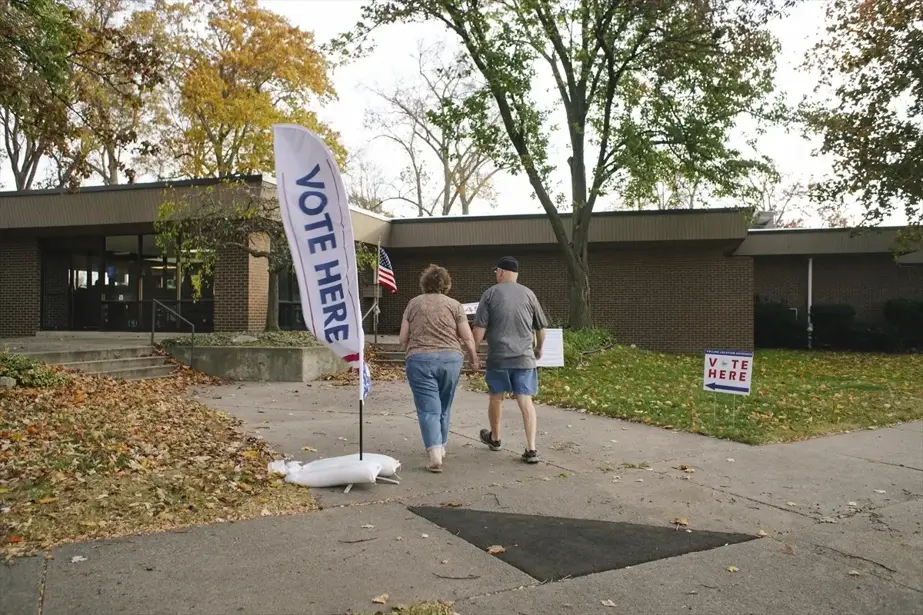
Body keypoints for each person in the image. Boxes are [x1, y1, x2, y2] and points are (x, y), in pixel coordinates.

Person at [399, 264, 480, 473]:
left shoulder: (413, 304)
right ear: (446, 284)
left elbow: (402, 339)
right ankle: (441, 445)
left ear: (424, 283)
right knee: (444, 404)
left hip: (420, 359)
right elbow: (467, 337)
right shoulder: (455, 306)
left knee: (428, 408)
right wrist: (473, 359)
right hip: (451, 359)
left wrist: (413, 349)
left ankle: (435, 453)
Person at [472, 256, 548, 464]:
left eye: (496, 271)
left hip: (498, 358)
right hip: (524, 358)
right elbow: (541, 329)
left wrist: (473, 353)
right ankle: (531, 449)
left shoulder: (490, 294)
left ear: (501, 272)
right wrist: (538, 350)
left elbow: (479, 329)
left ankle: (495, 438)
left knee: (496, 398)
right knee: (526, 401)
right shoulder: (529, 294)